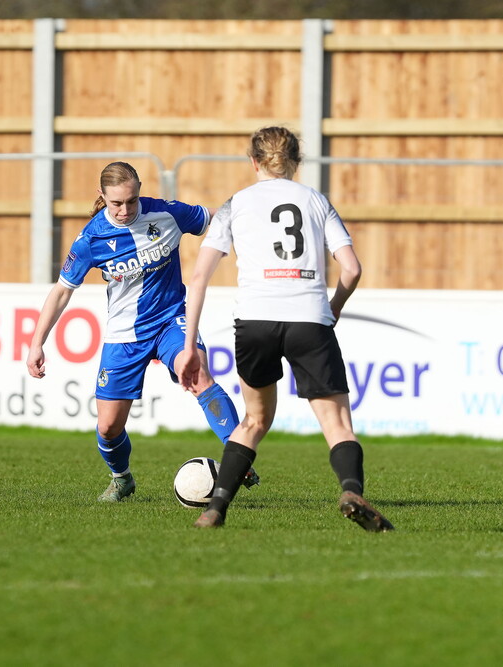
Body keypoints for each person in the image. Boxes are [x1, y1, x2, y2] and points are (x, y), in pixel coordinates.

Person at [179, 126, 394, 532]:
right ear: (297, 162)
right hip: (308, 318)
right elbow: (352, 268)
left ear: (254, 161)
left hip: (255, 321)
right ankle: (351, 490)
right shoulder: (315, 201)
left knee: (254, 421)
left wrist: (190, 344)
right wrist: (331, 309)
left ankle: (216, 508)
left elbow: (200, 276)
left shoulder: (235, 204)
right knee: (337, 424)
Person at [26, 161, 258, 502]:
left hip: (171, 320)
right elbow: (62, 291)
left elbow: (219, 217)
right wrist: (36, 343)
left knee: (198, 376)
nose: (124, 210)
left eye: (131, 201)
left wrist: (254, 212)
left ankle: (240, 456)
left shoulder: (167, 214)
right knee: (108, 428)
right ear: (101, 197)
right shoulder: (92, 238)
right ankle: (121, 479)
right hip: (124, 335)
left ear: (139, 192)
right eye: (116, 203)